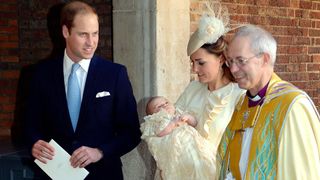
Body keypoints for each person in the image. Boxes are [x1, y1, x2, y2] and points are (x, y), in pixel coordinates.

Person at [25, 1, 141, 179]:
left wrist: (100, 152)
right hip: (52, 175)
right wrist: (34, 143)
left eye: (95, 34)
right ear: (66, 32)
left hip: (103, 174)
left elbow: (131, 132)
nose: (91, 42)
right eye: (83, 34)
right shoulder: (40, 74)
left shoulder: (115, 74)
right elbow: (28, 126)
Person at [154, 1, 245, 179]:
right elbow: (169, 128)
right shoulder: (192, 89)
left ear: (220, 59)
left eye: (201, 63)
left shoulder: (239, 96)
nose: (195, 69)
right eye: (192, 63)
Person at [217, 24, 320, 180]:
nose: (233, 69)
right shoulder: (242, 103)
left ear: (264, 59)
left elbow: (300, 173)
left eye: (240, 61)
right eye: (230, 61)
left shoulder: (292, 105)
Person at [141, 96, 216, 179]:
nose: (165, 105)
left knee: (202, 163)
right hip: (178, 149)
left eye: (166, 102)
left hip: (193, 145)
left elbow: (195, 124)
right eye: (159, 106)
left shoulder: (179, 112)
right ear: (153, 114)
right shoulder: (157, 120)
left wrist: (188, 118)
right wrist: (173, 124)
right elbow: (160, 133)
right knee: (184, 169)